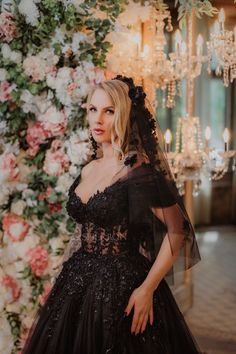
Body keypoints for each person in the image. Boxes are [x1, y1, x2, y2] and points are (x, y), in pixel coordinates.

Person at [22, 76, 203, 354]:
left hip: (123, 286)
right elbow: (84, 229)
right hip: (76, 283)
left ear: (125, 113)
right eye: (93, 109)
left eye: (109, 111)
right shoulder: (89, 169)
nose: (98, 119)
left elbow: (177, 231)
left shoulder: (138, 171)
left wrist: (147, 289)